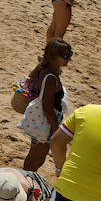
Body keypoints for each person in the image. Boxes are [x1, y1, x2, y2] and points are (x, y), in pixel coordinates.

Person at [22, 39, 72, 171]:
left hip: (39, 120)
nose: (69, 59)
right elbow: (48, 107)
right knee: (38, 158)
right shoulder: (50, 78)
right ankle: (27, 182)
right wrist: (57, 131)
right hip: (45, 123)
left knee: (33, 155)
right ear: (54, 57)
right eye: (66, 56)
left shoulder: (43, 68)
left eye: (70, 55)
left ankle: (26, 177)